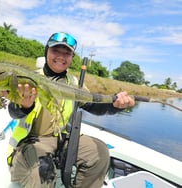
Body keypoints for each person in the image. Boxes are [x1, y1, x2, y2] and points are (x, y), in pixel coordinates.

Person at [7, 32, 135, 188]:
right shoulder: (30, 78)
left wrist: (113, 105)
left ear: (72, 58)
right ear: (46, 51)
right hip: (31, 141)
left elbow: (93, 105)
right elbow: (13, 111)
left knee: (100, 152)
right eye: (56, 51)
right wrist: (24, 105)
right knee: (43, 169)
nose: (61, 56)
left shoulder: (74, 84)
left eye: (67, 53)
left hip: (62, 139)